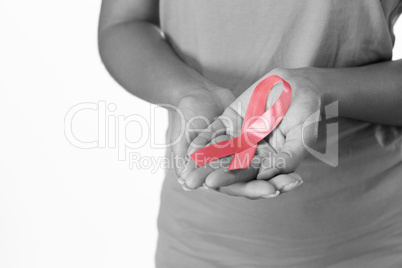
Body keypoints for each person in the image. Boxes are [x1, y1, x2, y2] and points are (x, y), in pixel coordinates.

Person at [98, 0, 402, 267]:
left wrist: (323, 89)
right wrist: (187, 92)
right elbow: (124, 21)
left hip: (375, 239)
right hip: (200, 240)